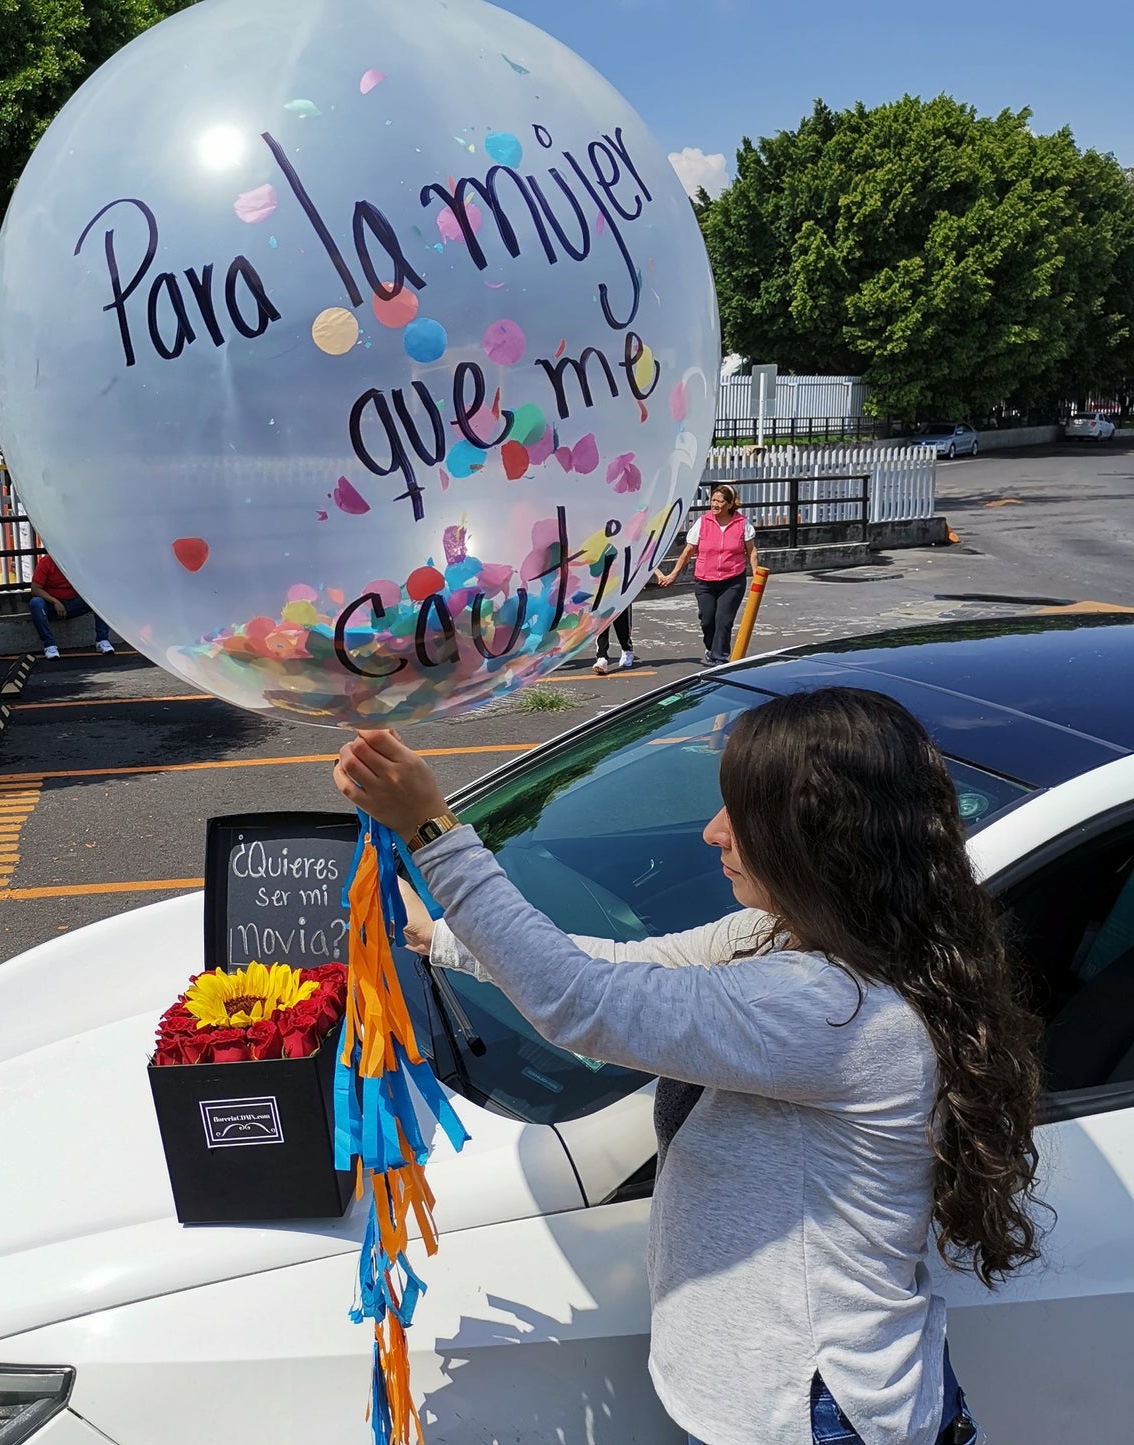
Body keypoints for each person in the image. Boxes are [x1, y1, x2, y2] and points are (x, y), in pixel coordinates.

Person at [333, 689, 1046, 1445]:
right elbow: (606, 968)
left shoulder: (832, 1008)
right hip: (785, 1400)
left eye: (740, 816)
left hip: (810, 1414)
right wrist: (438, 936)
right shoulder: (786, 939)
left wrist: (434, 832)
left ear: (812, 837)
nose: (711, 833)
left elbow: (579, 1002)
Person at [656, 483, 760, 665]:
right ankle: (711, 648)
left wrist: (757, 577)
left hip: (732, 580)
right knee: (707, 620)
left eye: (719, 501)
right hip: (705, 581)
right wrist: (673, 574)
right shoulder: (703, 522)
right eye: (713, 500)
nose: (715, 505)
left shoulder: (742, 523)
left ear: (729, 504)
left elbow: (751, 552)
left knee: (724, 620)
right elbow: (688, 551)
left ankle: (720, 658)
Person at [28, 552, 112, 659]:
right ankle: (49, 644)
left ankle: (102, 640)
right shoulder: (46, 562)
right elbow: (35, 589)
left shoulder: (76, 562)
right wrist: (55, 602)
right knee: (36, 603)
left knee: (99, 597)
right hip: (51, 606)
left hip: (72, 603)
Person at [592, 606, 634, 674]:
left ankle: (627, 650)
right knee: (602, 623)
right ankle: (601, 657)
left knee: (622, 623)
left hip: (621, 597)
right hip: (603, 597)